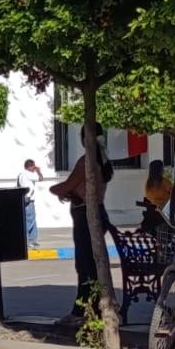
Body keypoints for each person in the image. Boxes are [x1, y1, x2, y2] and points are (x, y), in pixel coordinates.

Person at [52, 123, 115, 315]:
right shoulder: (103, 160)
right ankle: (94, 305)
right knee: (92, 263)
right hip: (98, 210)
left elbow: (63, 187)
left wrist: (58, 190)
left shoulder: (86, 161)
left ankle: (84, 309)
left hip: (85, 215)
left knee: (84, 264)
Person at [18, 158, 45, 250]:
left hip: (24, 199)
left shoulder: (21, 174)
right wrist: (39, 171)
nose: (35, 168)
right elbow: (41, 179)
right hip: (29, 200)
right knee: (30, 219)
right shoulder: (29, 174)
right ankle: (29, 240)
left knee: (29, 219)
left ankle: (33, 239)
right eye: (33, 166)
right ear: (29, 166)